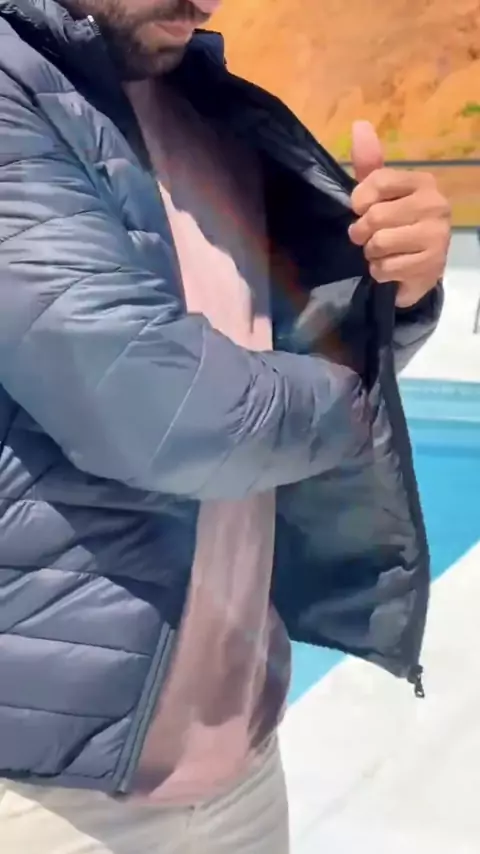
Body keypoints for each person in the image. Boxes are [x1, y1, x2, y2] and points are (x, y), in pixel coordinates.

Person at [0, 1, 450, 852]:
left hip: (240, 764)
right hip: (47, 796)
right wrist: (362, 403)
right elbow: (156, 407)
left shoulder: (208, 108)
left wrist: (397, 288)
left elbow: (297, 345)